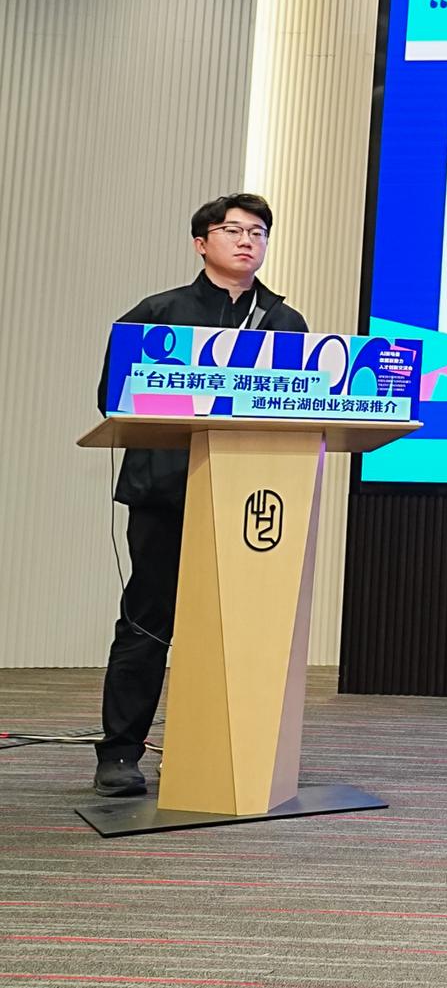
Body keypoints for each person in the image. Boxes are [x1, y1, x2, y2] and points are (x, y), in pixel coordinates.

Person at [89, 193, 311, 799]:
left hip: (252, 498)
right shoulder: (158, 313)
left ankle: (214, 750)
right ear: (201, 242)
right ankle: (120, 753)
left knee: (236, 626)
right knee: (149, 620)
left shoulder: (286, 323)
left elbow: (299, 405)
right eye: (233, 230)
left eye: (258, 232)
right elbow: (113, 394)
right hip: (166, 492)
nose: (247, 241)